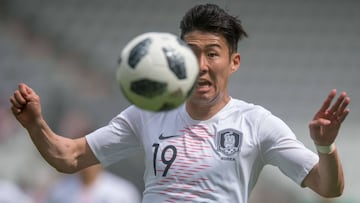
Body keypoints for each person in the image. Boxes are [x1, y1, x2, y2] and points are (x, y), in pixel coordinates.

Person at [9, 3, 350, 203]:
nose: (200, 65)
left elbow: (328, 187)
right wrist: (36, 124)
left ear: (234, 62)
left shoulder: (256, 123)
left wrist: (325, 146)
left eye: (212, 54)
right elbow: (69, 157)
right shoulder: (148, 112)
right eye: (191, 53)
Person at [40, 110, 141, 203]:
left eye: (90, 154)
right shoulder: (59, 192)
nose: (87, 163)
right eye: (81, 154)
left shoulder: (122, 193)